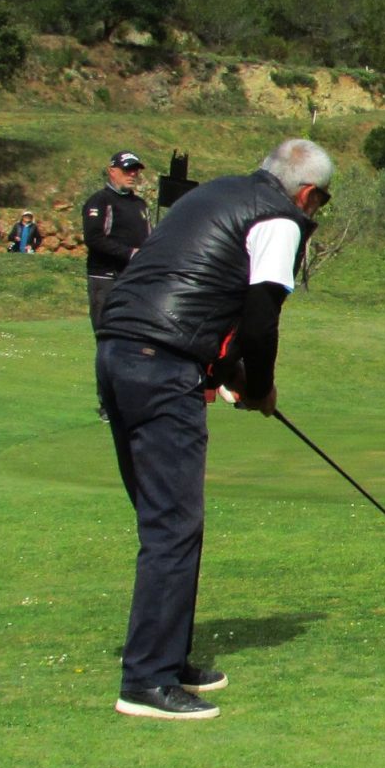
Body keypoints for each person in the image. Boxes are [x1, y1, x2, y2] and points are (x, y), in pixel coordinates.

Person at [95, 139, 334, 720]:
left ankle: (168, 657)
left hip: (117, 352)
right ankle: (146, 681)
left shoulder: (214, 193)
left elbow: (197, 289)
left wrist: (228, 374)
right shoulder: (280, 219)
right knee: (172, 524)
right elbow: (260, 319)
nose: (316, 211)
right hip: (162, 365)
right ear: (307, 193)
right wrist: (259, 386)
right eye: (321, 201)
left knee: (167, 521)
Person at [82, 152, 149, 416]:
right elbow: (94, 239)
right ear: (112, 171)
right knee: (108, 340)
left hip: (133, 280)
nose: (132, 174)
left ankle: (131, 399)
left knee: (134, 340)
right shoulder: (100, 201)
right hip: (105, 279)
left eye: (135, 170)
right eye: (127, 169)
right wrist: (130, 253)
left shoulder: (140, 205)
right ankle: (107, 403)